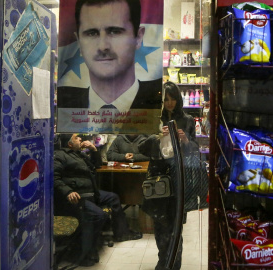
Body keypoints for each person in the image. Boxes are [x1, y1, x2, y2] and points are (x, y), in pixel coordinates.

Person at [53, 134, 142, 266]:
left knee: (113, 197)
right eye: (77, 138)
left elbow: (97, 166)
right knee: (99, 215)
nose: (81, 140)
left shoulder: (79, 154)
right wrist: (69, 192)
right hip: (78, 197)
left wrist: (94, 150)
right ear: (69, 144)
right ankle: (82, 250)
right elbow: (54, 177)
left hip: (90, 193)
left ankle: (122, 233)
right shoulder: (60, 155)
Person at [57, 0, 162, 111]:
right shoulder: (67, 105)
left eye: (114, 32)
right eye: (92, 33)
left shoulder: (155, 101)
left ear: (138, 38)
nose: (103, 47)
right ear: (79, 41)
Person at [138, 81, 199, 270]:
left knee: (175, 228)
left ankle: (173, 265)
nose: (170, 103)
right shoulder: (154, 119)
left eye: (173, 99)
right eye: (166, 99)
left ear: (179, 99)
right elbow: (141, 147)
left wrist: (185, 140)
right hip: (157, 180)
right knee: (159, 225)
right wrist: (157, 137)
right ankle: (162, 261)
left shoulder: (188, 120)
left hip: (178, 179)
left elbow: (195, 151)